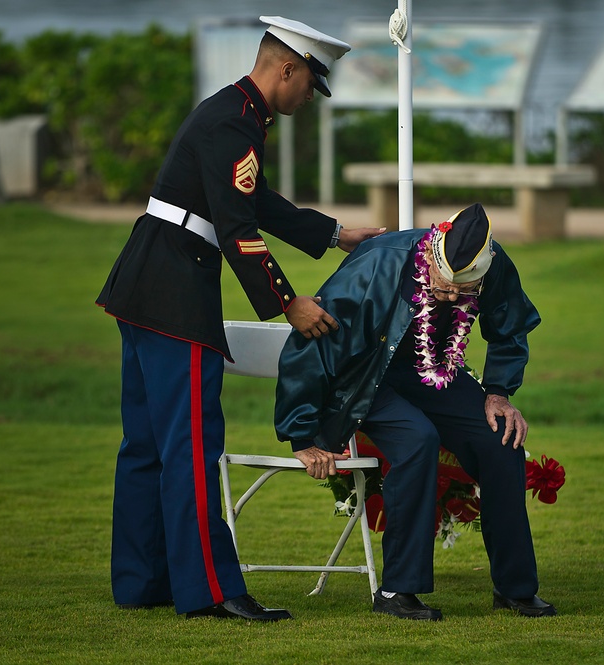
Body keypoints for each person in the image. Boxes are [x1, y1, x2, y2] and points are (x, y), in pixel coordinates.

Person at [95, 16, 383, 622]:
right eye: (310, 83)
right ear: (287, 68)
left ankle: (144, 580)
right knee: (193, 447)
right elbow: (238, 228)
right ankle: (211, 591)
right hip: (175, 294)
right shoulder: (235, 121)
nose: (310, 96)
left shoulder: (235, 112)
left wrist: (334, 235)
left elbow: (254, 201)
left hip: (145, 283)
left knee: (146, 444)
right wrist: (289, 302)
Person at [274, 203, 556, 621]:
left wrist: (498, 392)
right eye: (444, 287)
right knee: (416, 439)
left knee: (500, 441)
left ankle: (514, 588)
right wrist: (301, 434)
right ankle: (396, 591)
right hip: (367, 374)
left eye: (464, 292)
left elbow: (510, 326)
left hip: (433, 371)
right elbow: (312, 343)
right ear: (432, 252)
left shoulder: (493, 263)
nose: (451, 297)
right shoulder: (380, 262)